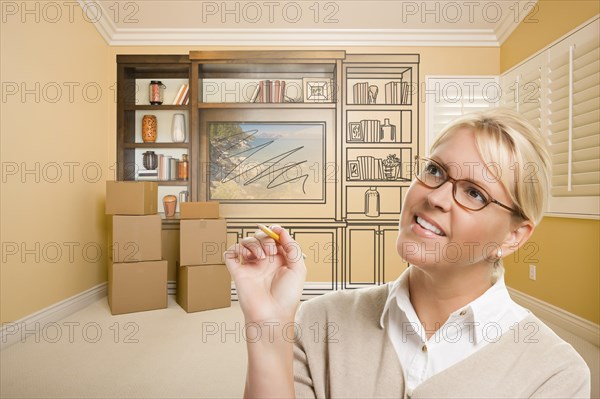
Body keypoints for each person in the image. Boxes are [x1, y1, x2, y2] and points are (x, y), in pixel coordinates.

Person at [224, 108, 591, 398]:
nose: (434, 196)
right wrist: (269, 329)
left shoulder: (556, 373)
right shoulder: (320, 319)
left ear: (513, 237)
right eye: (434, 170)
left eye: (474, 193)